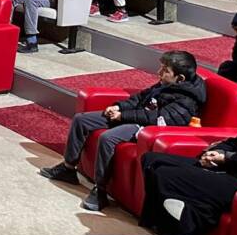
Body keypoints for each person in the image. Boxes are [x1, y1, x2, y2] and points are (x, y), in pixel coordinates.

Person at [40, 51, 204, 211]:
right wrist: (118, 106)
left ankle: (100, 191)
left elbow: (161, 119)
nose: (159, 72)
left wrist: (123, 116)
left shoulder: (188, 99)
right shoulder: (167, 84)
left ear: (180, 78)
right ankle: (68, 168)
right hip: (133, 117)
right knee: (81, 120)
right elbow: (140, 98)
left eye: (165, 70)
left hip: (148, 129)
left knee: (108, 138)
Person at [139, 68, 237, 235]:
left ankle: (181, 229)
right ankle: (194, 213)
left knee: (165, 175)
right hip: (230, 167)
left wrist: (227, 158)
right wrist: (214, 151)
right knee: (151, 160)